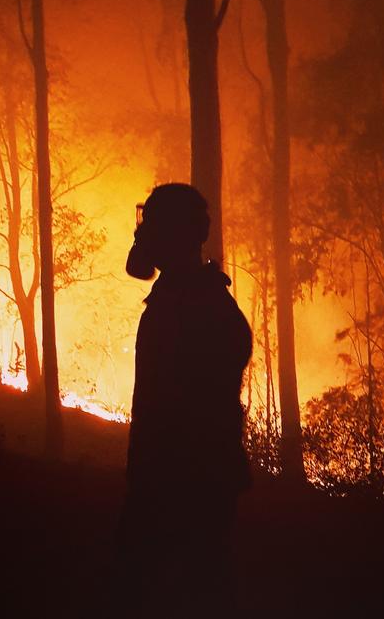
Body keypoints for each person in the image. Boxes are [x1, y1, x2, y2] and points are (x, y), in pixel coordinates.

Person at [115, 183, 252, 618]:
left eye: (151, 225)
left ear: (174, 234)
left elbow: (181, 409)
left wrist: (152, 485)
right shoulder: (193, 297)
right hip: (187, 481)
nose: (142, 235)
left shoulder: (194, 305)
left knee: (184, 592)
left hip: (184, 484)